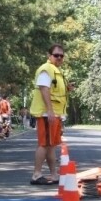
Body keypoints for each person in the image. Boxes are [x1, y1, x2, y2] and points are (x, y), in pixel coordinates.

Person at [28, 44, 71, 186]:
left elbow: (54, 91)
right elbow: (44, 89)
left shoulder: (56, 71)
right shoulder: (46, 69)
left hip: (54, 114)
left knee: (51, 145)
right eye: (56, 55)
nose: (59, 57)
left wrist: (67, 89)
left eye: (61, 55)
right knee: (44, 144)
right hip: (47, 113)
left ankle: (54, 174)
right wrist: (50, 110)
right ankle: (36, 174)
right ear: (49, 56)